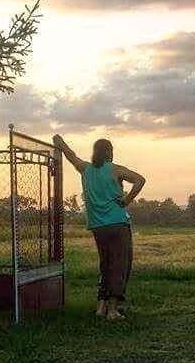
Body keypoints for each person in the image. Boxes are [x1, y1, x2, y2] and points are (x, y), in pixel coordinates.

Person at [53, 135, 145, 320]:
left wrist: (60, 143)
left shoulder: (85, 169)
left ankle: (100, 307)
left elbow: (71, 155)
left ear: (95, 152)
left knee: (105, 266)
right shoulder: (115, 169)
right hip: (118, 224)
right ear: (109, 152)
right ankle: (113, 311)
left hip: (98, 226)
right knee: (119, 266)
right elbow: (140, 180)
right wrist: (127, 200)